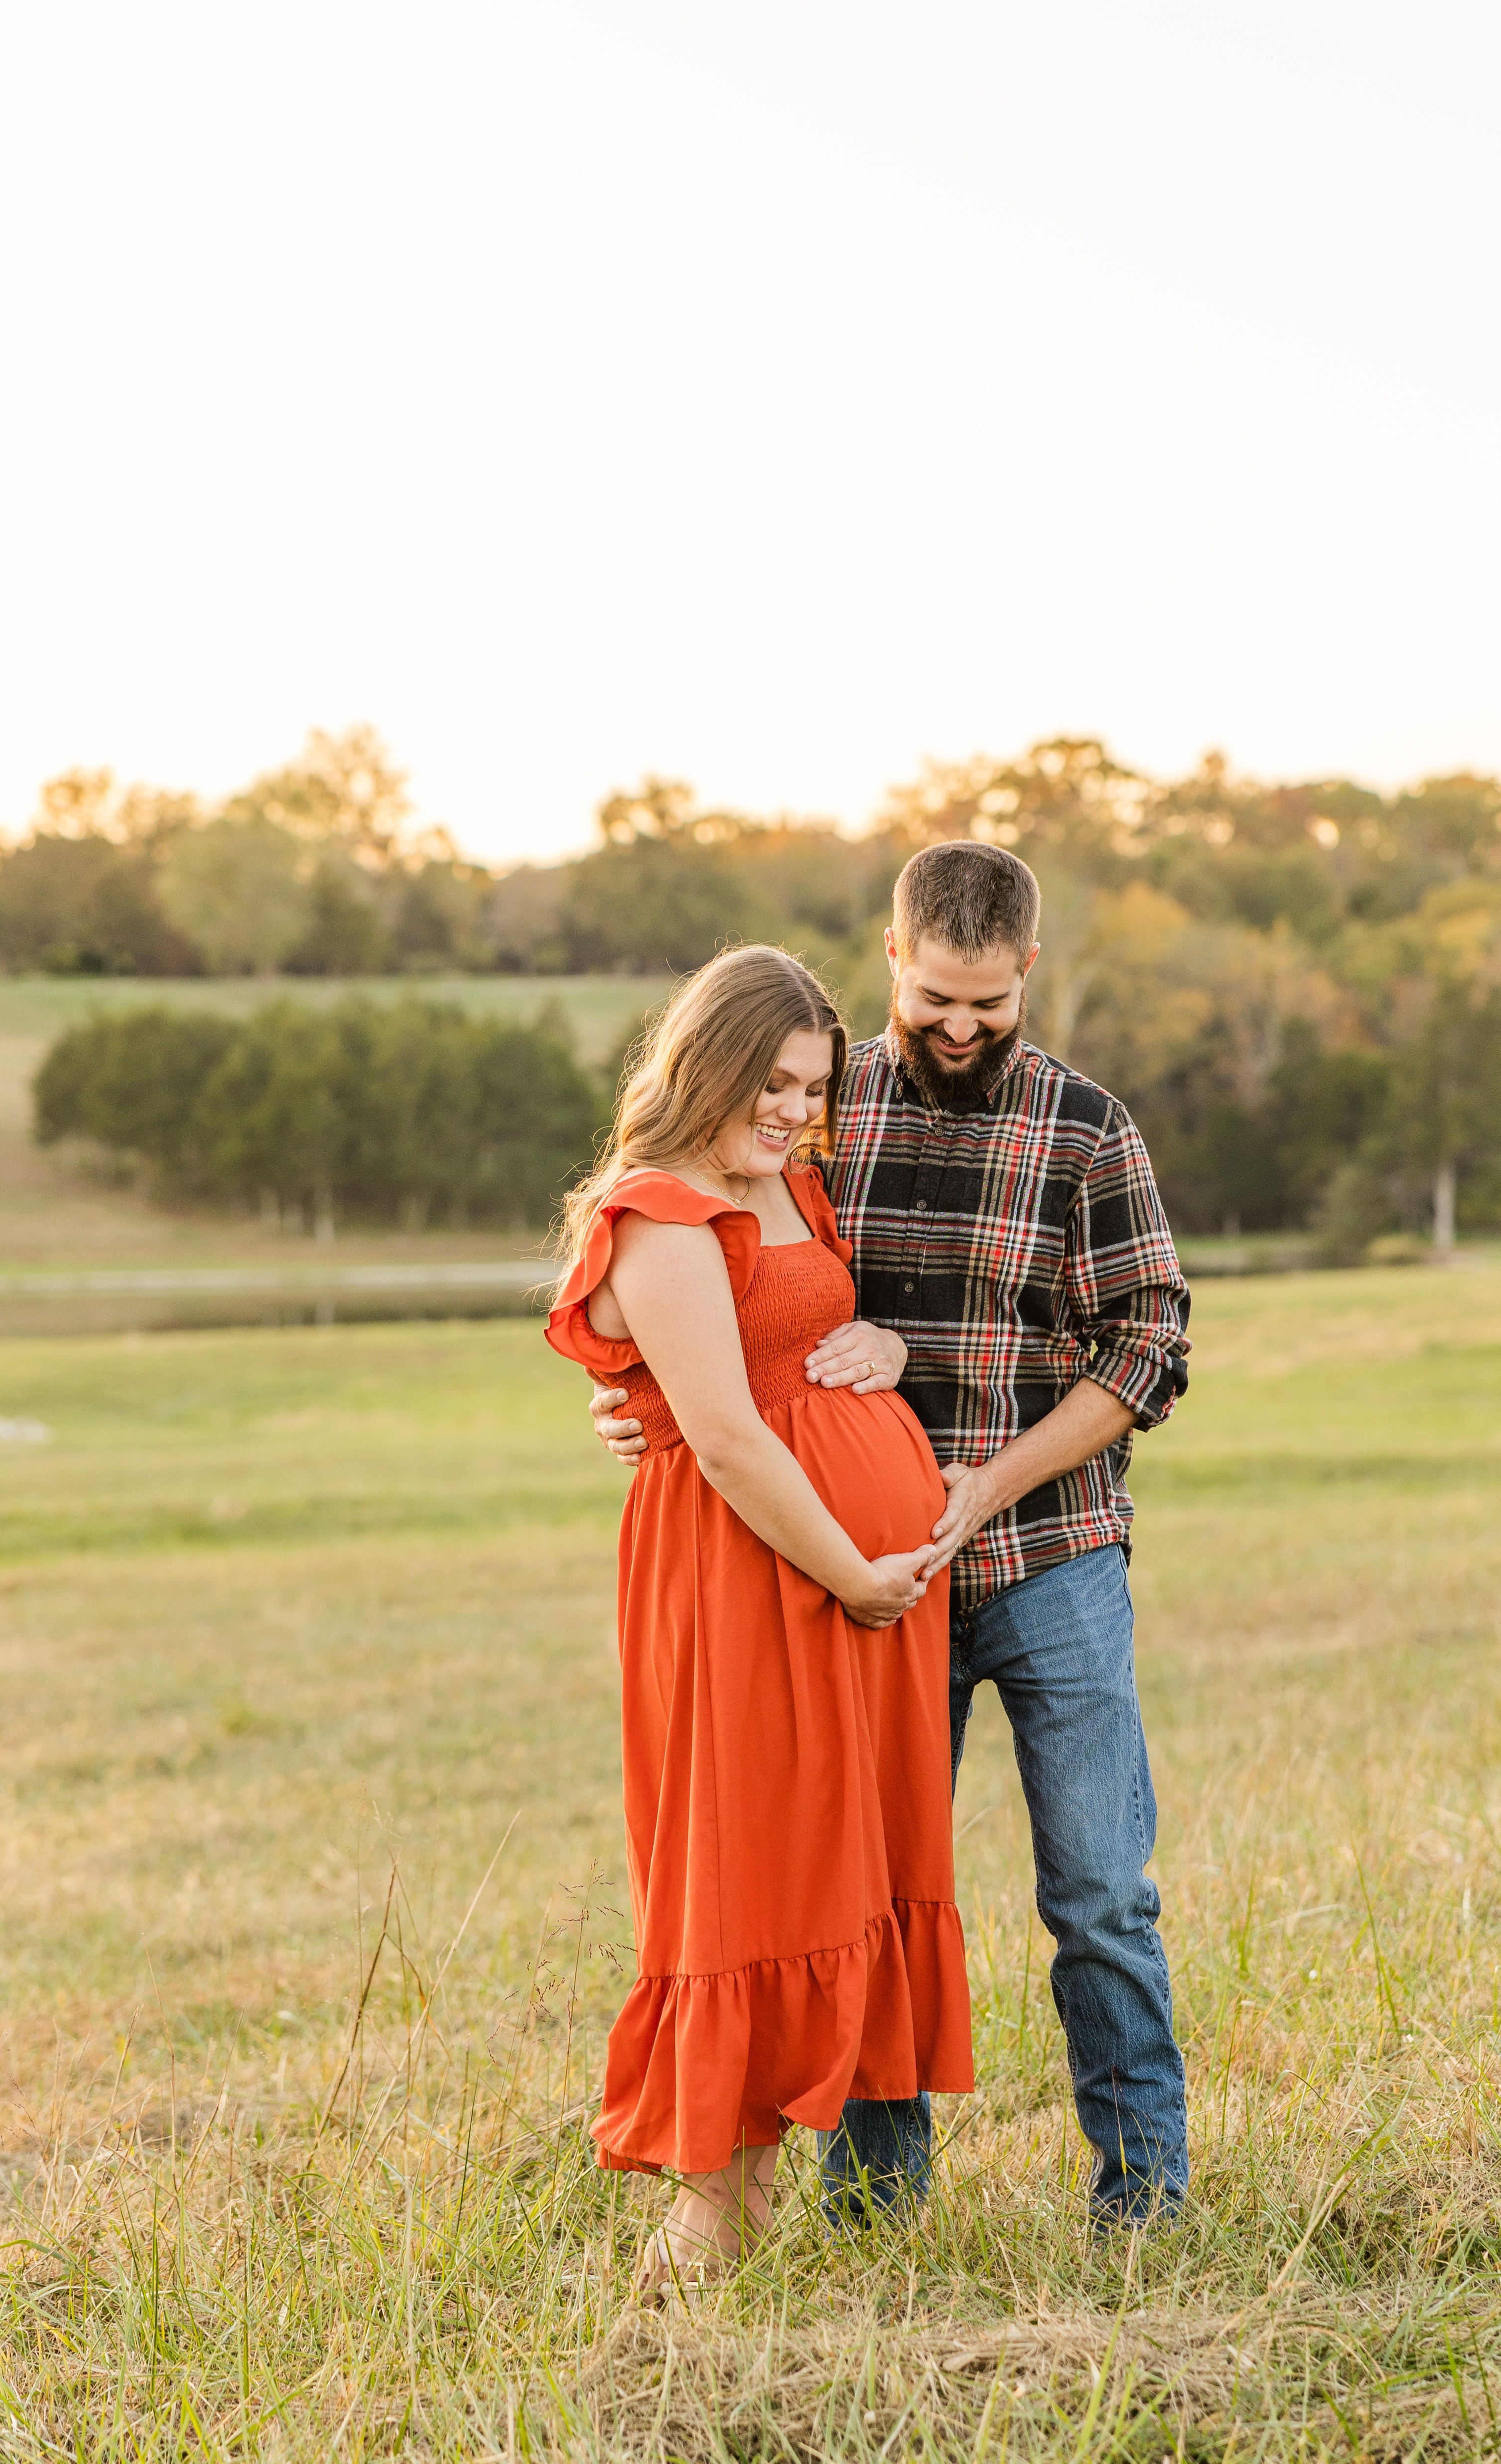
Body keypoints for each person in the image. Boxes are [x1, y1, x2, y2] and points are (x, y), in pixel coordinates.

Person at [592, 844, 1192, 2225]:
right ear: (890, 958)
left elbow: (1147, 1345)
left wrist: (988, 1484)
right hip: (845, 1584)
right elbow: (708, 1282)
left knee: (1099, 1892)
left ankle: (1143, 2201)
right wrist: (640, 1410)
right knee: (861, 1889)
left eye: (990, 1001)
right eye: (935, 998)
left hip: (1048, 1559)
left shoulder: (1085, 1127)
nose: (962, 1026)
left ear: (1028, 971)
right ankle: (876, 2207)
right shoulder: (810, 1103)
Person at [547, 944, 973, 2292]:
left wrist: (893, 1357)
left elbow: (803, 1342)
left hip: (854, 1584)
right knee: (747, 1868)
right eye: (771, 1082)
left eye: (812, 1085)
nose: (795, 1110)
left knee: (824, 1863)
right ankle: (702, 2236)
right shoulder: (660, 1213)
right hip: (752, 1582)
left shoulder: (787, 1185)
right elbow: (726, 1437)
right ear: (705, 1063)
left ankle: (769, 2204)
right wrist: (851, 1571)